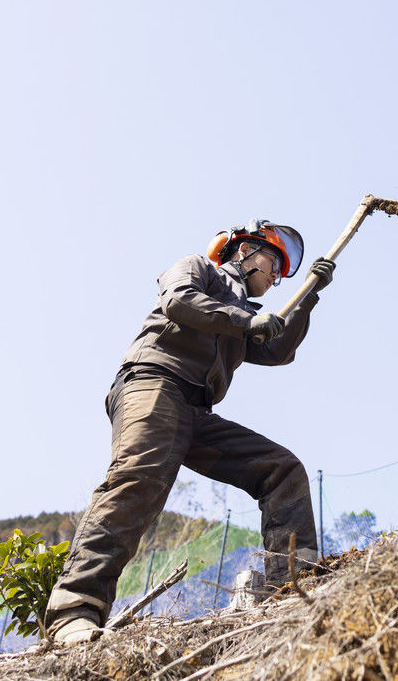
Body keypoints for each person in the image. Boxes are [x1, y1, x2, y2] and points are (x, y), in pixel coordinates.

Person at [46, 220, 335, 645]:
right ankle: (74, 609)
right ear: (243, 251)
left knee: (281, 469)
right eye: (273, 262)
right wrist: (244, 320)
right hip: (154, 385)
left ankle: (293, 584)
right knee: (139, 479)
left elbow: (276, 349)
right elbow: (179, 301)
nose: (276, 277)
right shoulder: (199, 270)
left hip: (196, 411)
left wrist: (308, 296)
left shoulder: (243, 317)